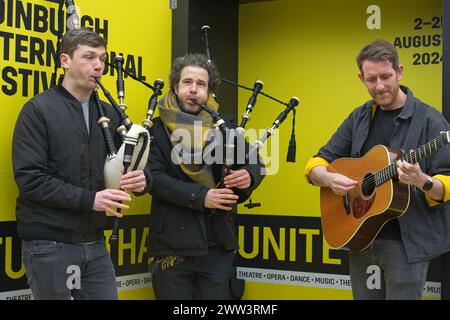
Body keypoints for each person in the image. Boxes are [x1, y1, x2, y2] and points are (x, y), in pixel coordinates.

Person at [304, 39, 450, 300]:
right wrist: (327, 178)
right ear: (361, 78)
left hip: (407, 244)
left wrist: (423, 181)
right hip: (362, 237)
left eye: (386, 77)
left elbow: (446, 186)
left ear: (400, 72)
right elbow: (317, 162)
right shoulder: (359, 117)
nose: (379, 86)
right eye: (372, 79)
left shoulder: (429, 120)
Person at [12, 28, 150, 300]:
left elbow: (124, 167)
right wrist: (90, 200)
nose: (99, 66)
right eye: (89, 57)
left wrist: (141, 180)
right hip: (50, 243)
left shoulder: (109, 113)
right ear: (65, 60)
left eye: (102, 58)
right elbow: (31, 179)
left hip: (95, 243)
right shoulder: (38, 110)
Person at [145, 53, 265, 300]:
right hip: (172, 248)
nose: (193, 90)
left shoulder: (224, 126)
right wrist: (202, 196)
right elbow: (153, 179)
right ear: (175, 87)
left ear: (209, 91)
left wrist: (248, 176)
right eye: (187, 82)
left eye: (201, 84)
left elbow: (256, 163)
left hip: (218, 244)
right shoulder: (155, 129)